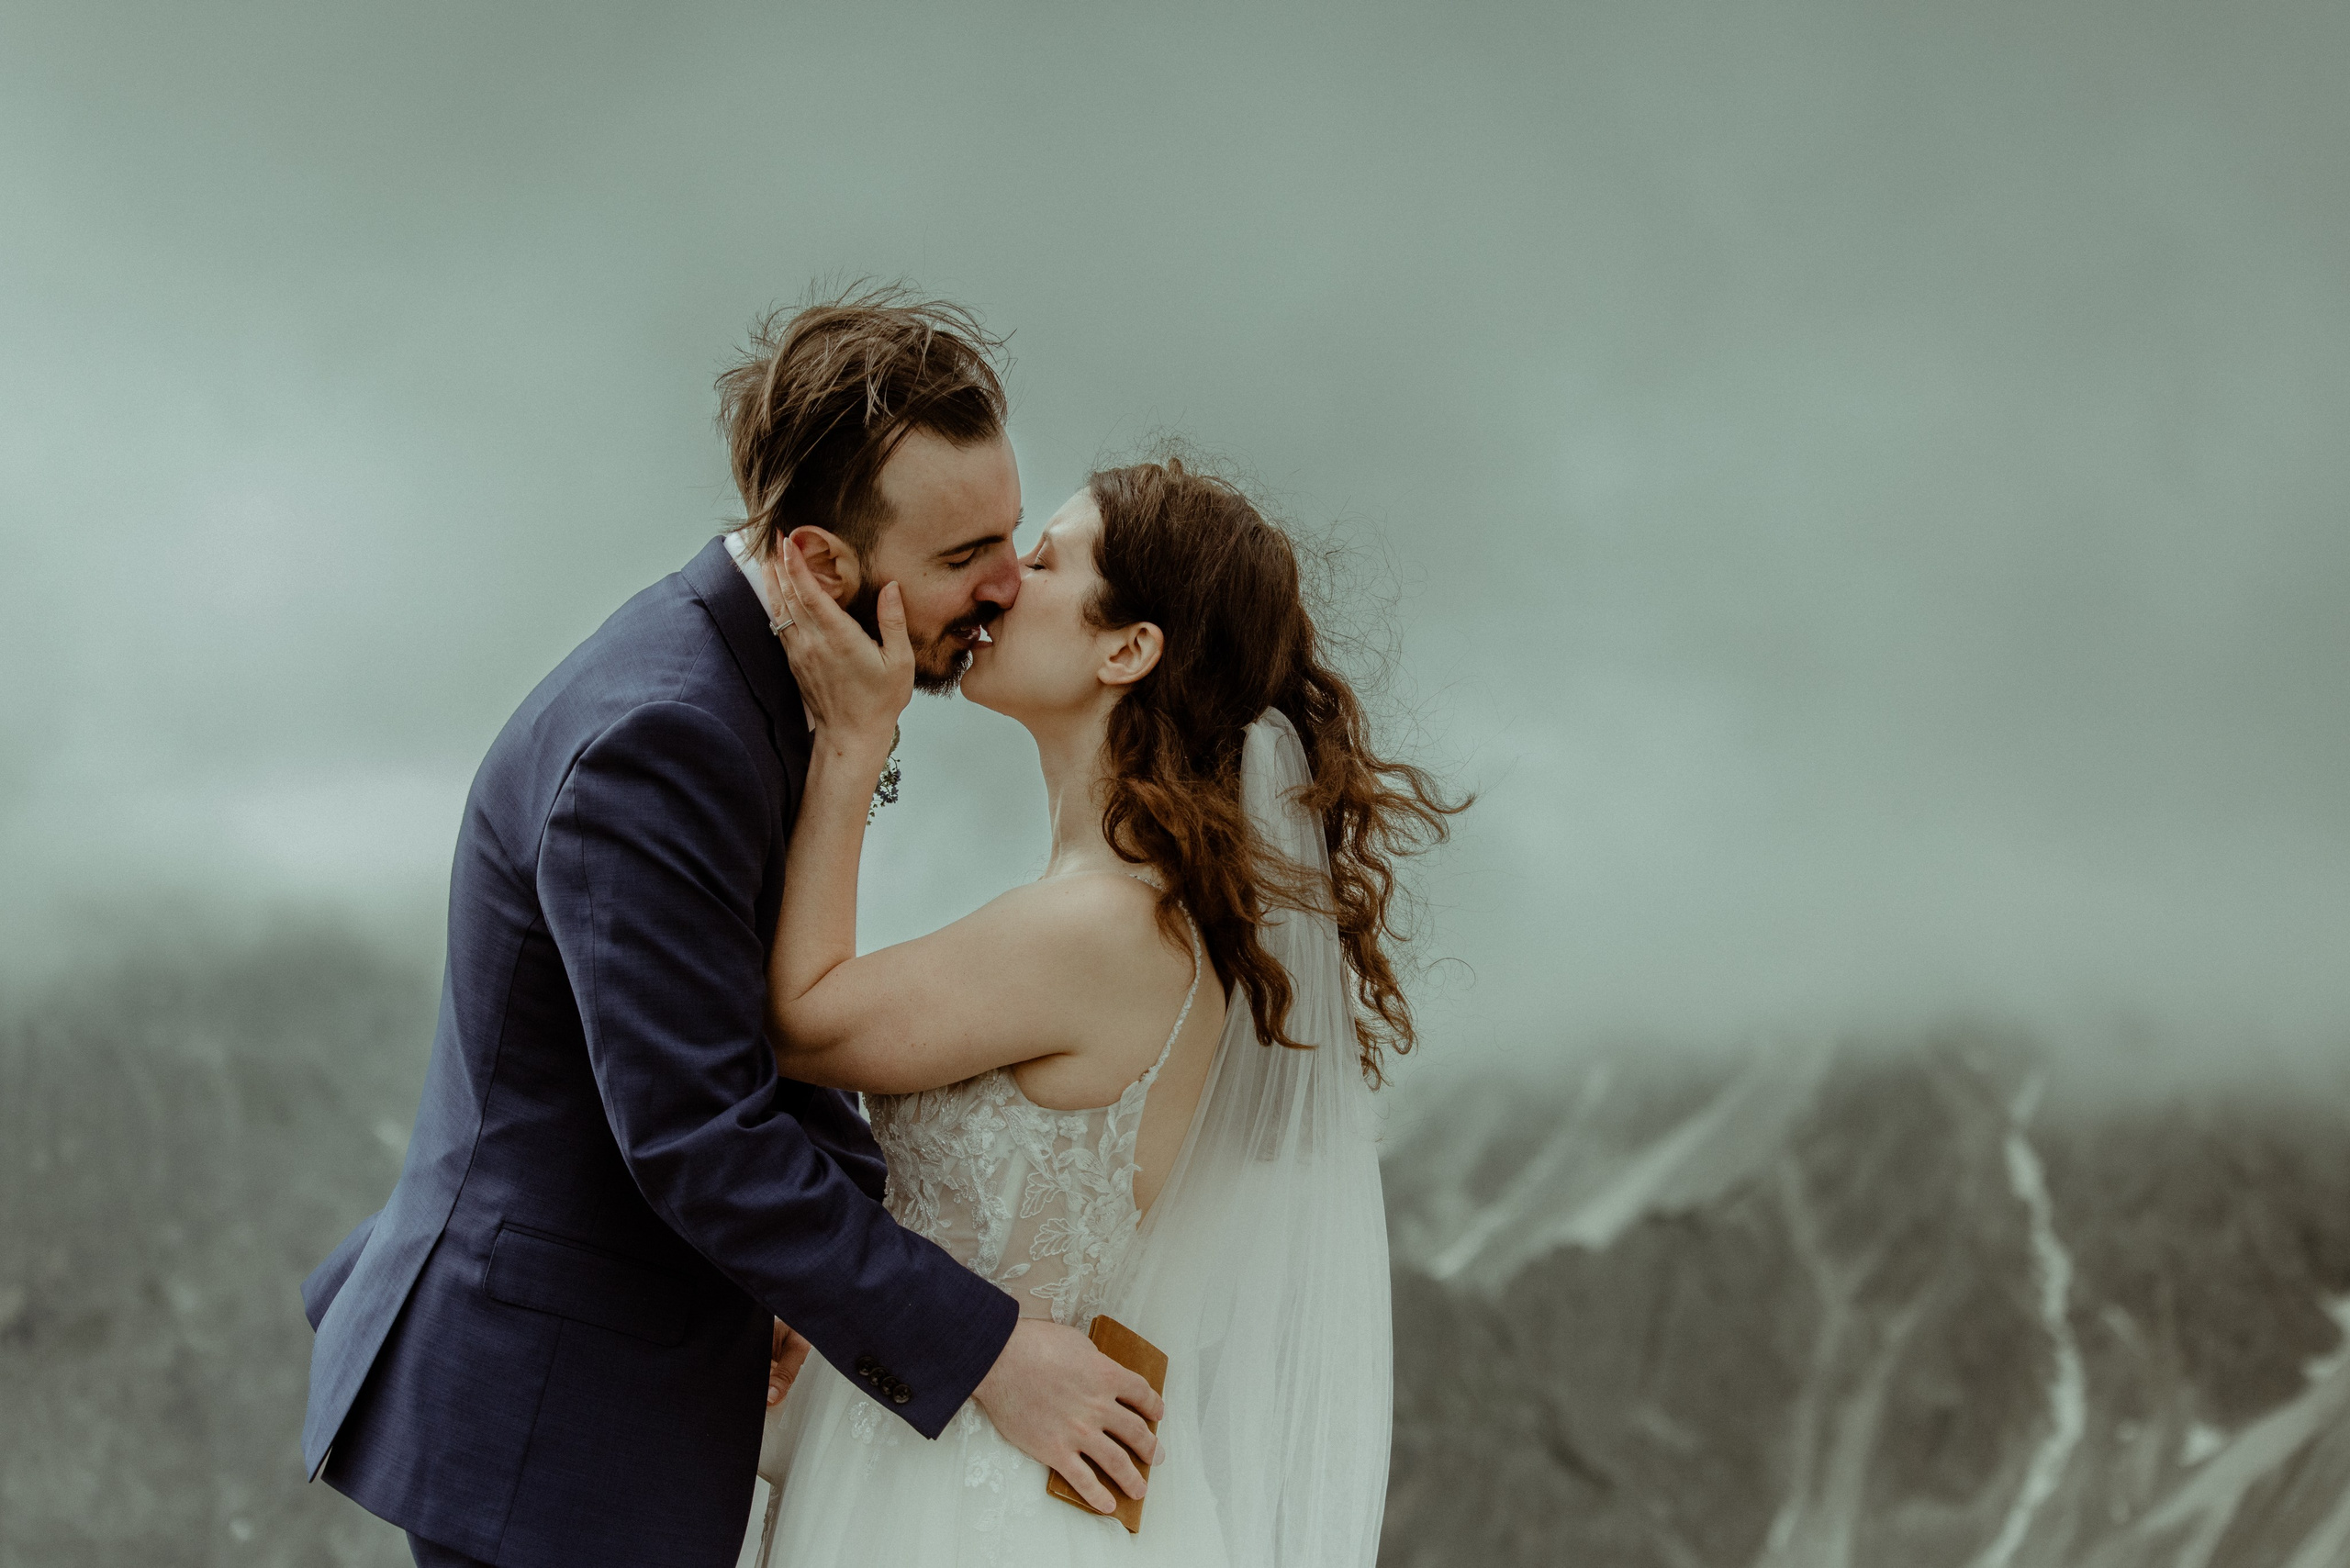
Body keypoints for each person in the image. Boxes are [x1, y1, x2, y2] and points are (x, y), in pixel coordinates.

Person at [298, 287, 1162, 1568]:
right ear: (820, 561)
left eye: (1010, 532)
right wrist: (993, 1353)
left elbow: (751, 1017)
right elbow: (699, 1135)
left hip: (619, 1379)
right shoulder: (660, 737)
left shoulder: (775, 678)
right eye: (960, 555)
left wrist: (797, 1276)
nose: (1002, 581)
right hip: (552, 1417)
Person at [745, 453, 1462, 1565]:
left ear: (1126, 648)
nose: (999, 583)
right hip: (964, 1451)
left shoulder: (1104, 927)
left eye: (1041, 561)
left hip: (968, 1506)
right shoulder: (1128, 915)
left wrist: (853, 741)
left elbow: (800, 1019)